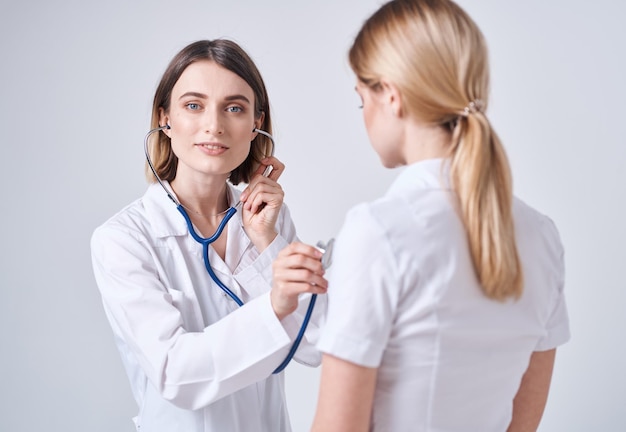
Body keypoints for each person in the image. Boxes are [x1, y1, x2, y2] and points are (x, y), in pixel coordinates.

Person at [310, 1, 570, 431]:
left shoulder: (378, 231)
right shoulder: (542, 236)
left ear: (391, 96)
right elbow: (522, 425)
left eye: (362, 101)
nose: (364, 116)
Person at [90, 39, 327, 432]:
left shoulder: (271, 222)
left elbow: (316, 342)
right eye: (193, 105)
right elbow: (174, 374)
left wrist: (268, 246)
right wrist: (275, 304)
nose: (214, 125)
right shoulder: (124, 239)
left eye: (234, 108)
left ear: (257, 124)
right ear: (165, 118)